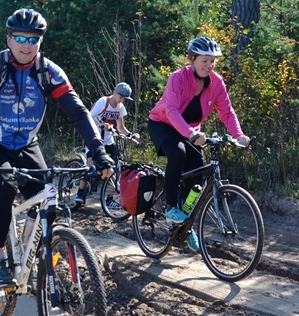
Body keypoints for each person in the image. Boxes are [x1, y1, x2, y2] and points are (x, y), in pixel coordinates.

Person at [0, 8, 113, 288]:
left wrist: (98, 151)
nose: (26, 45)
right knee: (6, 187)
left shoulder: (48, 71)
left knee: (47, 199)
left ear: (40, 41)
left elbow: (78, 112)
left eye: (33, 39)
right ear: (9, 39)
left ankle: (27, 255)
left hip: (26, 143)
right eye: (20, 38)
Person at [147, 36, 251, 252]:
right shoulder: (178, 78)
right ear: (192, 59)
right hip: (163, 124)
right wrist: (191, 134)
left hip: (191, 130)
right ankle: (170, 207)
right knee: (178, 153)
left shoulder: (217, 82)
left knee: (197, 175)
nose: (209, 65)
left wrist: (239, 135)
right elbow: (172, 110)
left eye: (213, 61)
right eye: (205, 60)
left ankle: (187, 223)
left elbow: (226, 111)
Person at [74, 82, 140, 209]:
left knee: (115, 168)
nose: (122, 100)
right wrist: (100, 125)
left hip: (108, 141)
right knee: (90, 167)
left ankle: (109, 199)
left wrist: (132, 135)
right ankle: (80, 193)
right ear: (114, 92)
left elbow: (121, 127)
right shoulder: (103, 102)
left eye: (124, 98)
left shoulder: (120, 108)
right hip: (94, 139)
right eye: (121, 97)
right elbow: (89, 118)